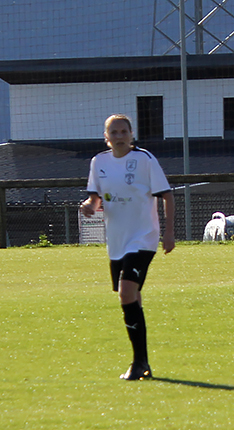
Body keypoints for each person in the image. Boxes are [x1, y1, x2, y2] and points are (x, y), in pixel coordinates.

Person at [80, 114, 175, 380]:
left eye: (124, 131)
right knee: (132, 297)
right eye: (114, 132)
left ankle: (138, 362)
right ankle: (143, 363)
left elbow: (166, 195)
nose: (119, 136)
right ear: (106, 137)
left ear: (132, 135)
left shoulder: (145, 160)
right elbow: (96, 197)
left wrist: (168, 232)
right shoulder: (98, 162)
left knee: (126, 293)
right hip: (117, 241)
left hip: (143, 238)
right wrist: (90, 206)